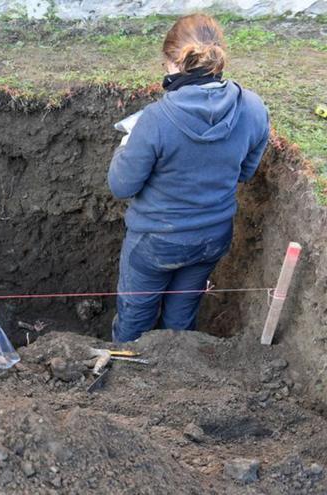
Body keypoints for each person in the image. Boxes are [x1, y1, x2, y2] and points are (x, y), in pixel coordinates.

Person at [108, 14, 270, 342]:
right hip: (212, 237)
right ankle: (179, 378)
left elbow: (122, 185)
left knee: (136, 318)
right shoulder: (252, 107)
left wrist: (128, 143)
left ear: (174, 62)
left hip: (155, 241)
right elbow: (245, 172)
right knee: (181, 315)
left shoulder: (155, 120)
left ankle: (126, 373)